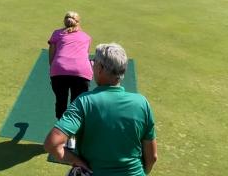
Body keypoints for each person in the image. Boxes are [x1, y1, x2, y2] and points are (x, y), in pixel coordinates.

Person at [44, 43, 157, 176]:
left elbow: (52, 144)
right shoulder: (142, 103)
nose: (92, 64)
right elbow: (152, 157)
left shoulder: (84, 101)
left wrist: (77, 162)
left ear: (101, 69)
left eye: (94, 62)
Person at [48, 11, 93, 120]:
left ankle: (61, 128)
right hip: (82, 72)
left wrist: (54, 72)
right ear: (78, 23)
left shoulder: (57, 33)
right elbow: (85, 56)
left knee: (61, 101)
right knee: (77, 104)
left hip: (59, 70)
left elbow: (51, 57)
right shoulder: (87, 37)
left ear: (65, 21)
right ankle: (73, 133)